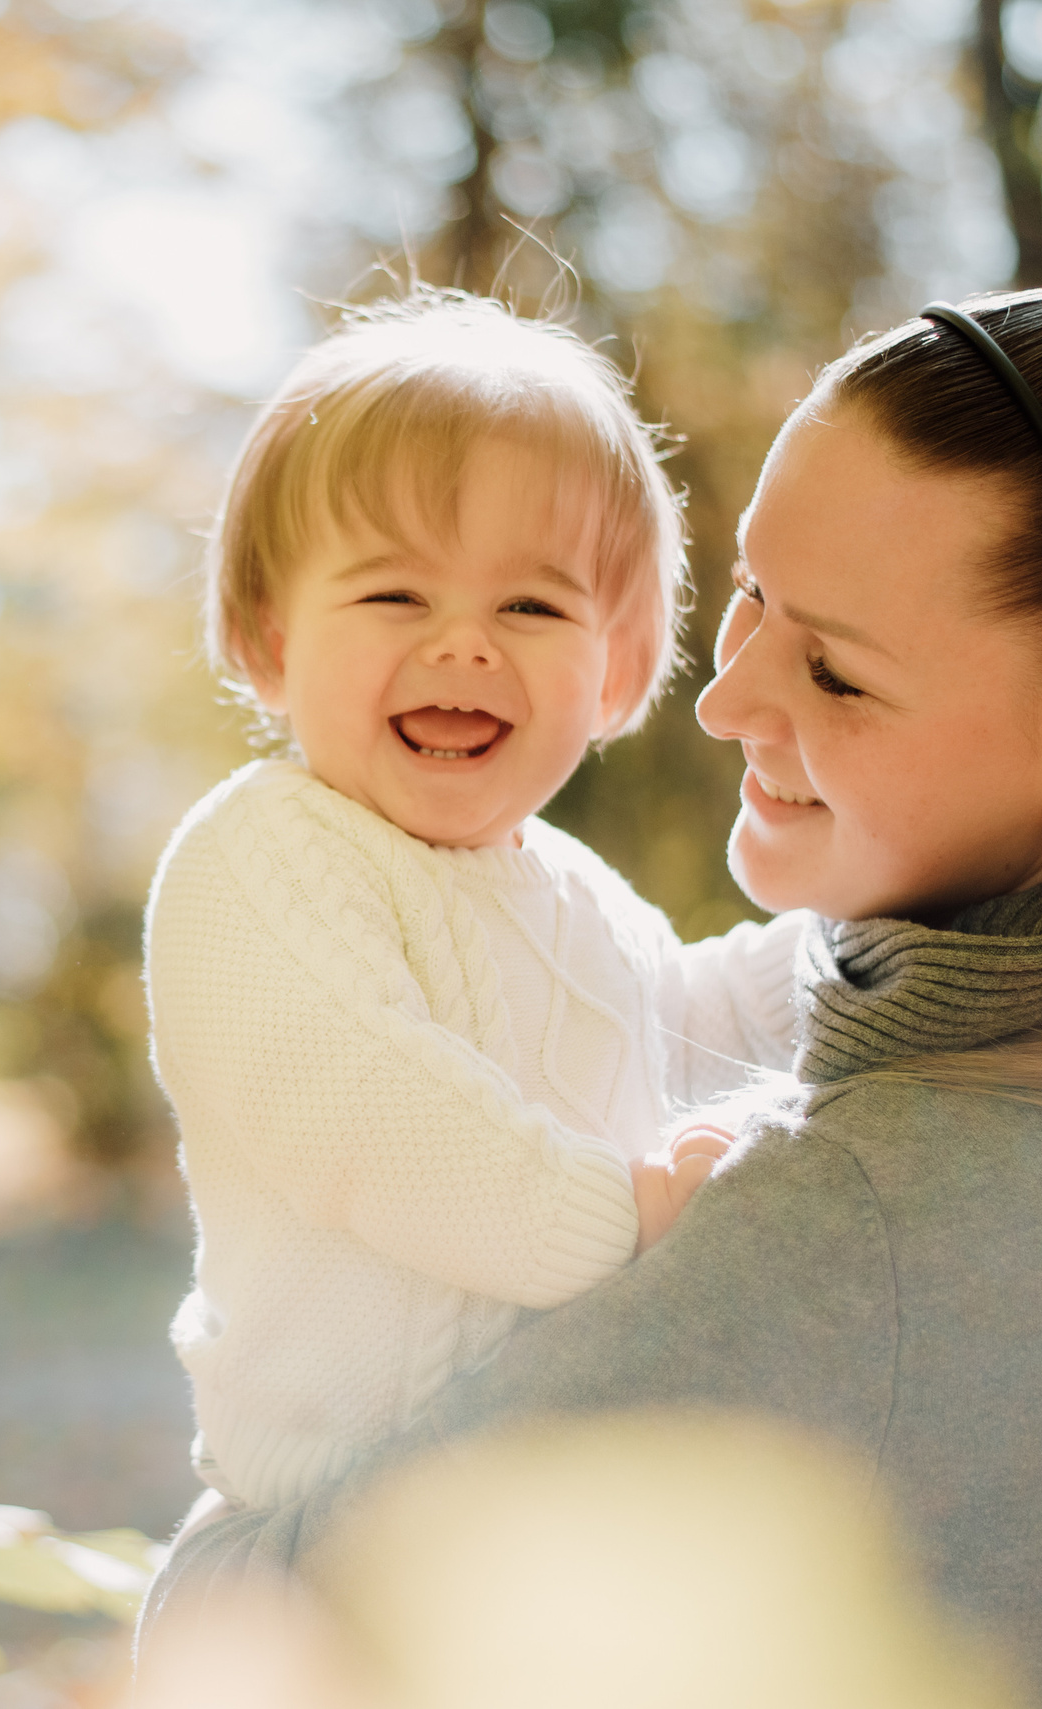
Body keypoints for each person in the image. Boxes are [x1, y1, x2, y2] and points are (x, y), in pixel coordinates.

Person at [141, 285, 1042, 1709]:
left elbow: (254, 1637)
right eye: (751, 592)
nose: (722, 700)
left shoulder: (841, 1219)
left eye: (833, 669)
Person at [144, 292, 806, 1515]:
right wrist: (623, 1217)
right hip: (325, 1522)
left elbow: (678, 1023)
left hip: (518, 1513)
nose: (464, 645)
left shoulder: (578, 892)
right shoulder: (261, 855)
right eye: (394, 596)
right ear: (272, 638)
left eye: (531, 606)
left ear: (613, 669)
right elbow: (369, 1111)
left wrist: (839, 955)